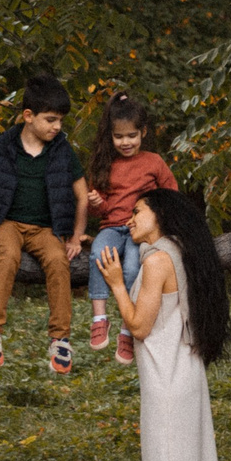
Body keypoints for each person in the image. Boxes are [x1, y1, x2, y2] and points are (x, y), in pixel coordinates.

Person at [98, 187, 231, 461]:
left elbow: (139, 326)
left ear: (160, 215)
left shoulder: (157, 261)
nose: (130, 219)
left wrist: (117, 284)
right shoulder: (183, 251)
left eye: (138, 211)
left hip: (168, 380)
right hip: (189, 375)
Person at [0, 73, 91, 376]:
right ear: (28, 116)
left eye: (60, 121)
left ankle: (60, 339)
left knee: (58, 261)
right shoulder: (2, 146)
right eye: (51, 119)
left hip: (45, 229)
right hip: (6, 224)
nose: (57, 127)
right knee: (8, 257)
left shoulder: (63, 151)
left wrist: (76, 237)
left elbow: (82, 196)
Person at [85, 92, 180, 364]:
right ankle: (99, 317)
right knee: (98, 254)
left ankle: (128, 328)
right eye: (119, 137)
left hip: (140, 229)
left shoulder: (153, 161)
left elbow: (170, 193)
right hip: (112, 227)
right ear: (110, 136)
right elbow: (99, 210)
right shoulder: (105, 163)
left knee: (130, 268)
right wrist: (96, 202)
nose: (125, 142)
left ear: (143, 133)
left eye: (131, 136)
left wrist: (160, 222)